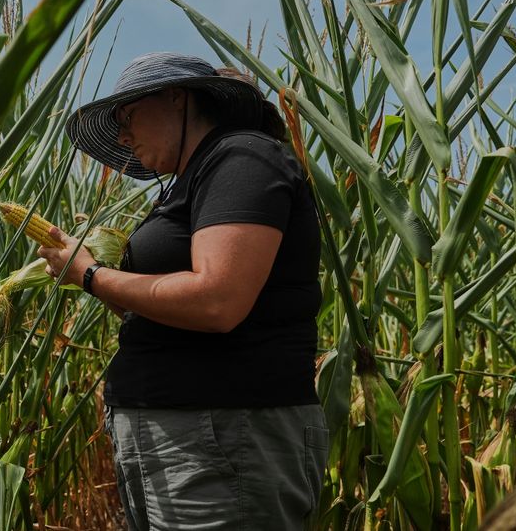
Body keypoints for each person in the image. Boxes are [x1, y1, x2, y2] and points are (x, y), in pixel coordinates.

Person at [36, 52, 329, 530]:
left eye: (127, 117)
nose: (123, 137)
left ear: (177, 97)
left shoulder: (243, 158)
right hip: (178, 433)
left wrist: (90, 275)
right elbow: (163, 309)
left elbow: (216, 302)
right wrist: (88, 274)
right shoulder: (189, 183)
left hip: (224, 433)